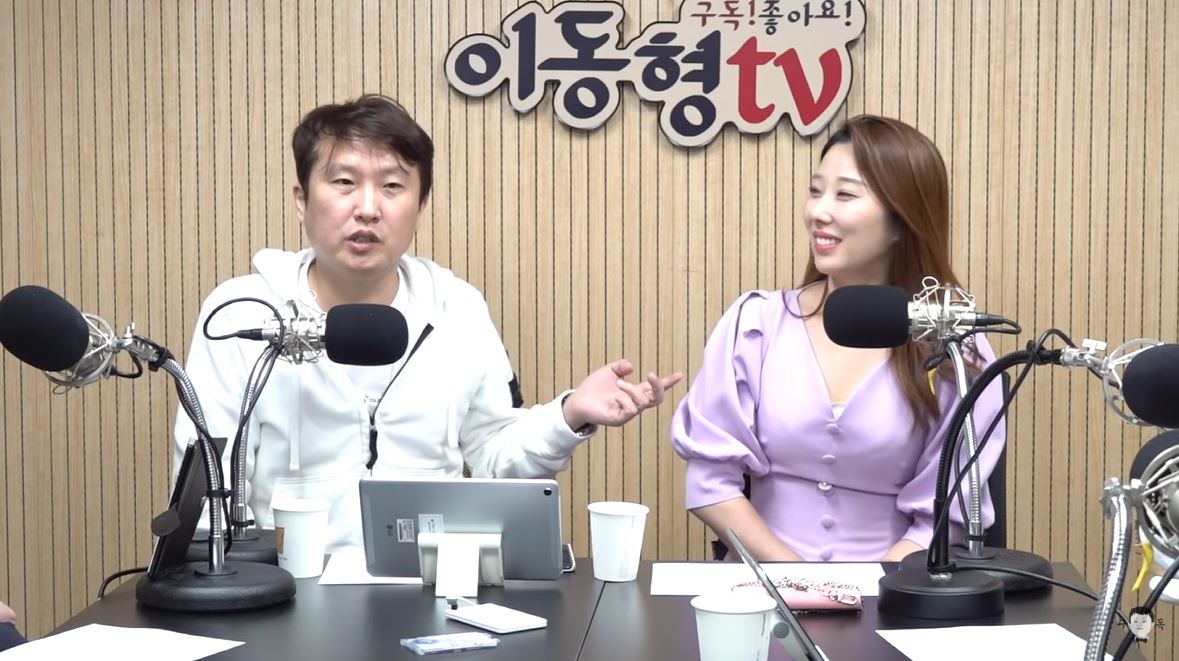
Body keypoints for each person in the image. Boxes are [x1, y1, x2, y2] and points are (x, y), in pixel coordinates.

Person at [174, 94, 682, 550]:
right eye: (344, 182)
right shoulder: (243, 315)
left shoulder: (456, 309)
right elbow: (209, 489)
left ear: (420, 206)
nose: (367, 208)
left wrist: (568, 415)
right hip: (290, 583)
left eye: (392, 186)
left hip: (431, 582)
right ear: (302, 199)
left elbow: (494, 458)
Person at [670, 115, 1006, 562]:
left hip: (892, 591)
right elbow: (711, 482)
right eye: (815, 191)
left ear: (902, 220)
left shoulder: (956, 349)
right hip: (761, 588)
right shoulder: (755, 324)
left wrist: (871, 592)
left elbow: (946, 516)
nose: (818, 212)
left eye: (845, 195)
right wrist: (801, 581)